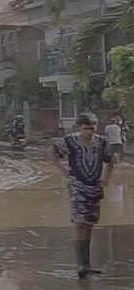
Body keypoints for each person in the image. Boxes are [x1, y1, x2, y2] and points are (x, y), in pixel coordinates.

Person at [48, 112, 117, 279]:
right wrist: (63, 170)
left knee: (89, 224)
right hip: (78, 186)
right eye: (86, 128)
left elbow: (111, 160)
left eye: (92, 128)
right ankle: (81, 265)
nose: (90, 132)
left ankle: (86, 264)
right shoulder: (70, 141)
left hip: (94, 188)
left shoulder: (102, 142)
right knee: (80, 223)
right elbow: (52, 151)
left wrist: (106, 179)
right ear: (80, 127)